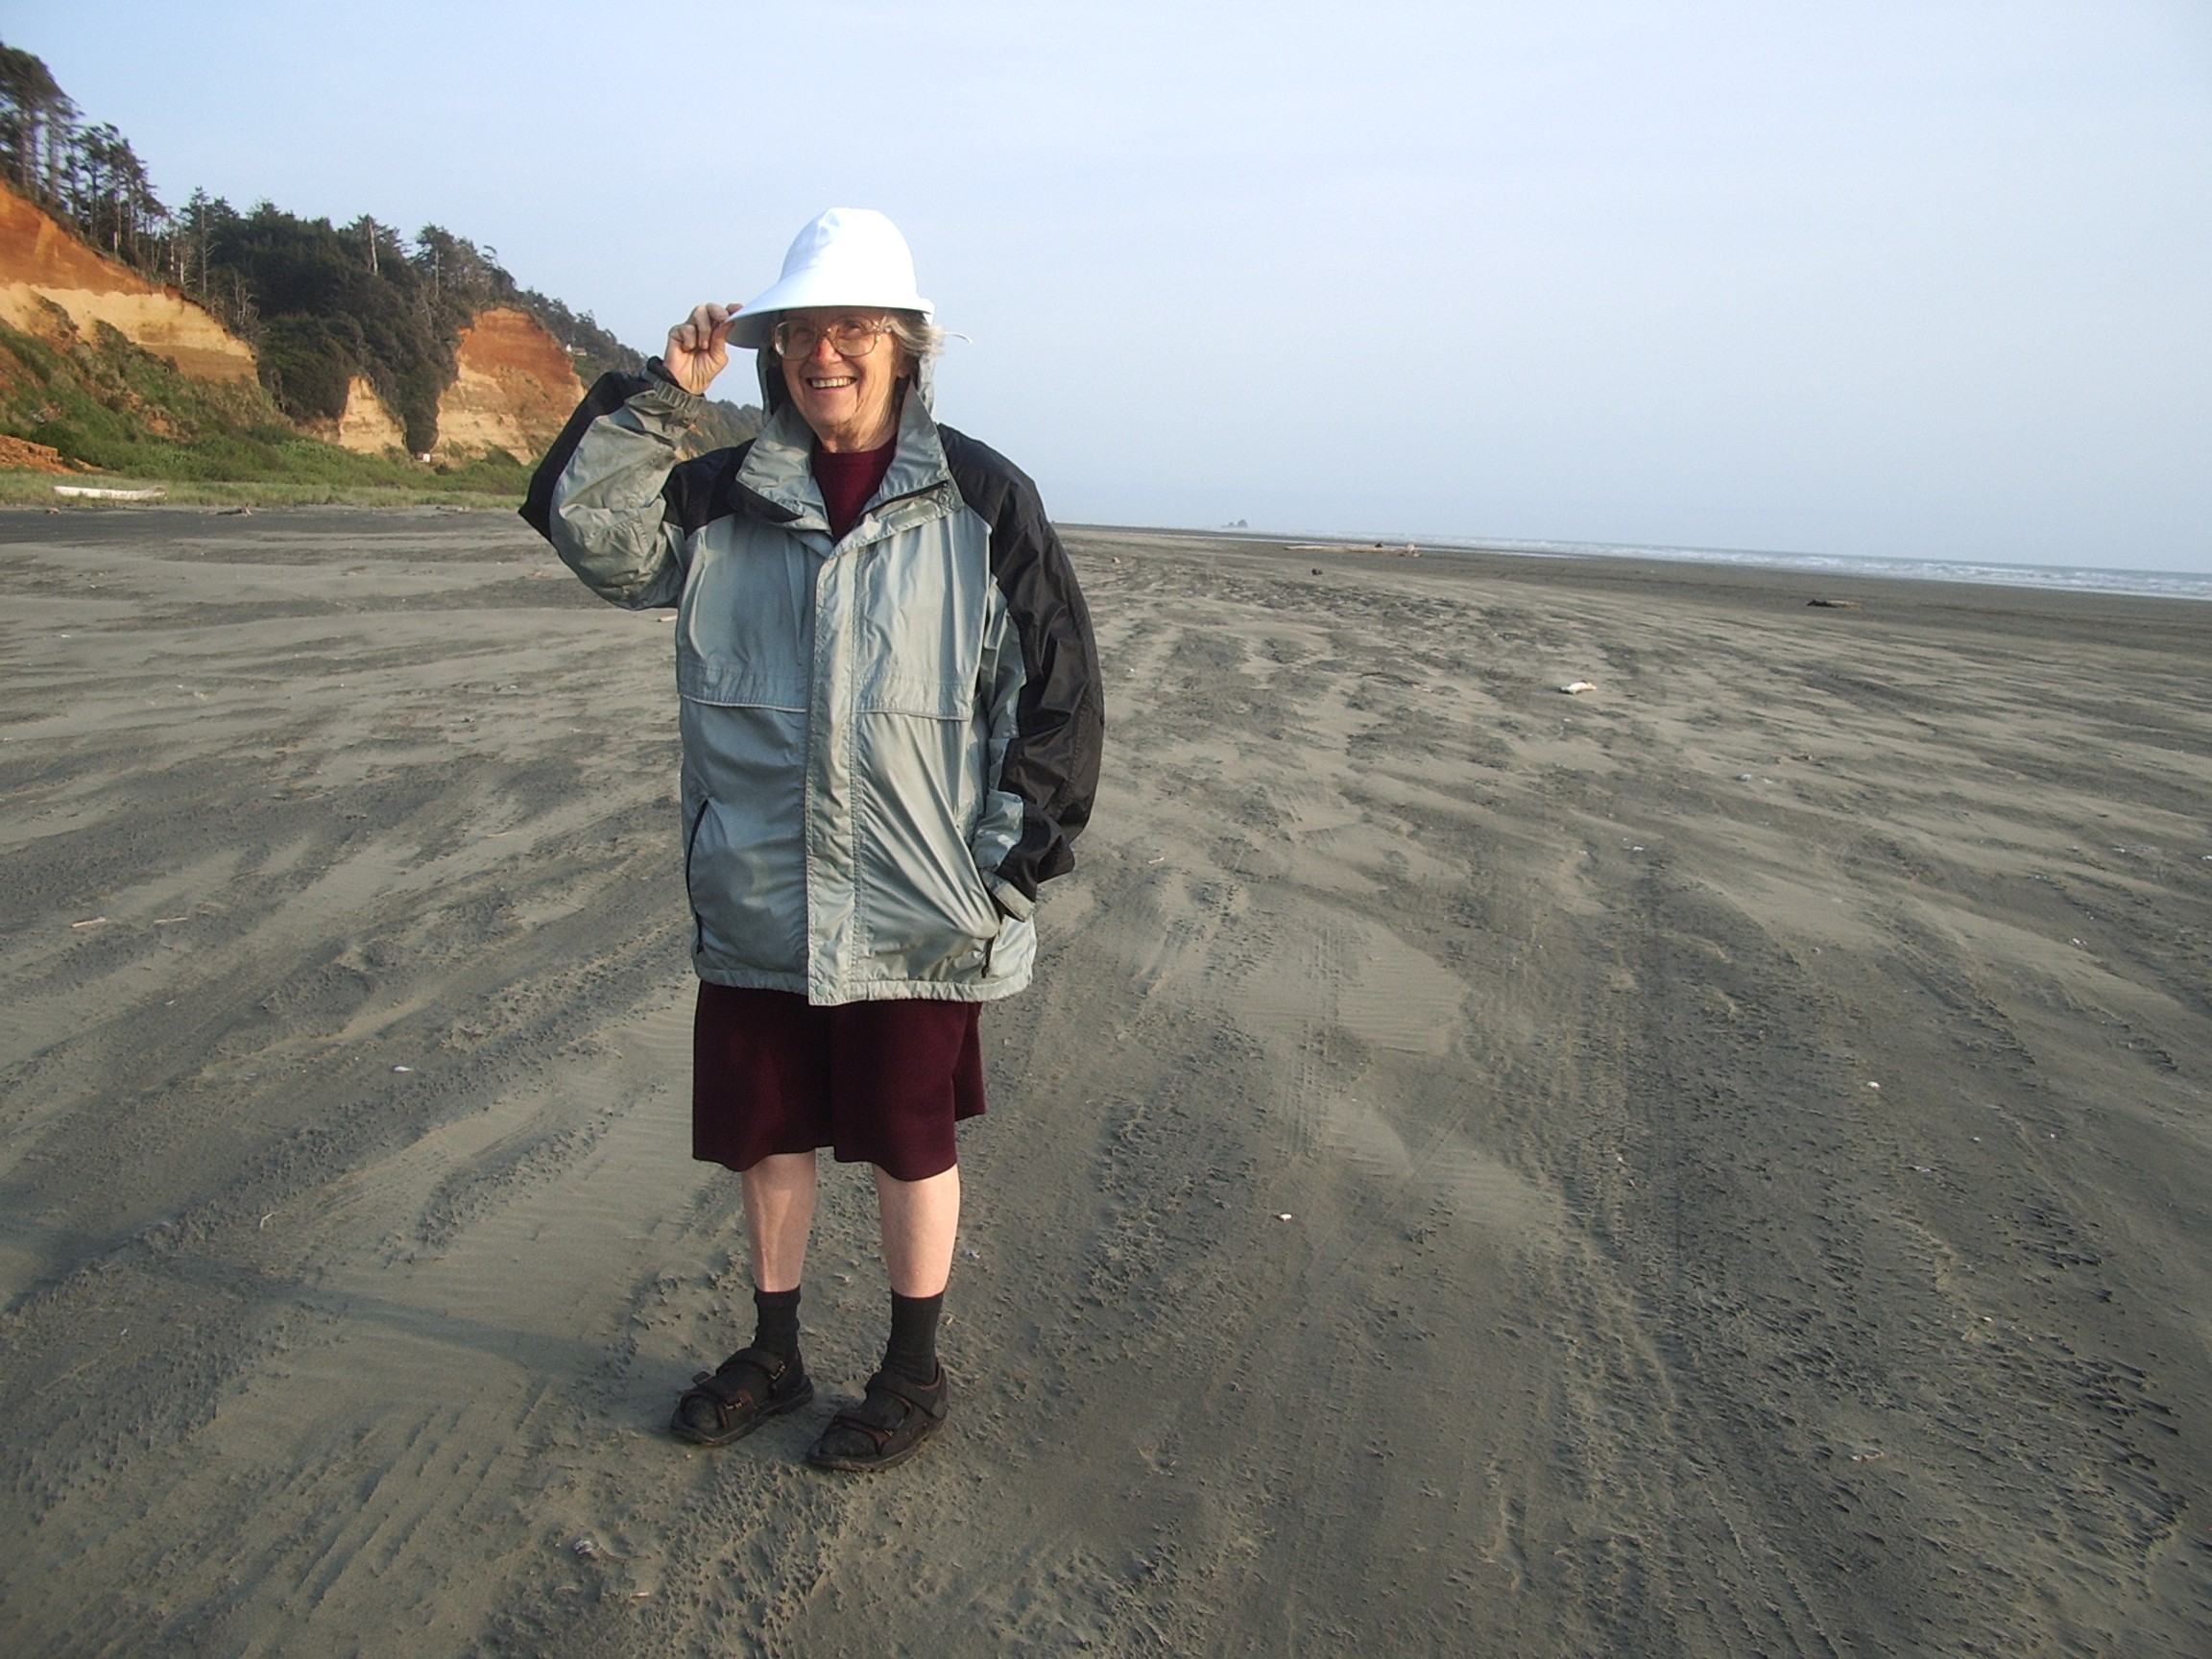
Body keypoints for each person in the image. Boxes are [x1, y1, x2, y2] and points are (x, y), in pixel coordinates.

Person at [520, 208, 1103, 1471]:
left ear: (903, 347)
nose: (820, 353)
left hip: (919, 902)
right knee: (767, 1130)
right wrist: (662, 401)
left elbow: (1055, 700)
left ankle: (909, 1370)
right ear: (773, 349)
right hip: (758, 889)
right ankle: (776, 1352)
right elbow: (594, 538)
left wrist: (1000, 872)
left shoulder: (983, 497)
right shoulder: (727, 492)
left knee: (907, 1138)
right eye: (798, 332)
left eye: (850, 329)